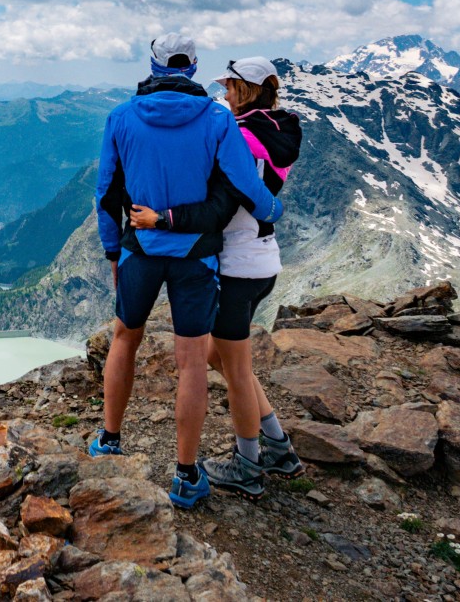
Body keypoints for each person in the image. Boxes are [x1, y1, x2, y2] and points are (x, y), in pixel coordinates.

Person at [93, 35, 284, 510]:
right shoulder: (217, 118)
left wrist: (113, 249)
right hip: (197, 255)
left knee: (124, 338)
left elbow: (107, 192)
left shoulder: (121, 116)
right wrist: (271, 209)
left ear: (153, 64)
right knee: (192, 360)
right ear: (194, 67)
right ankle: (185, 475)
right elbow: (243, 180)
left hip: (141, 248)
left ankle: (109, 441)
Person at [131, 56, 304, 500]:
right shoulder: (279, 130)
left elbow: (219, 208)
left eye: (229, 87)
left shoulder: (238, 140)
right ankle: (278, 446)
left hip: (236, 264)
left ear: (244, 90)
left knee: (238, 371)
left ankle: (248, 466)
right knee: (219, 358)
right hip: (263, 260)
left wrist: (162, 218)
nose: (224, 93)